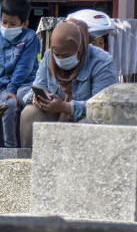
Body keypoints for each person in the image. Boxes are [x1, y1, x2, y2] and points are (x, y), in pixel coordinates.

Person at [20, 19, 119, 148]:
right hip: (56, 112)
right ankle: (28, 163)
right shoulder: (49, 56)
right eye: (57, 54)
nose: (60, 60)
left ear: (80, 47)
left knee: (87, 126)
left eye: (66, 55)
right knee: (29, 113)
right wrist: (36, 98)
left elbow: (103, 108)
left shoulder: (102, 62)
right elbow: (38, 86)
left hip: (87, 116)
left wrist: (66, 107)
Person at [0, 0, 40, 148]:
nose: (7, 27)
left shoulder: (30, 37)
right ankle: (10, 148)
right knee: (7, 107)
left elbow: (24, 66)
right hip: (4, 88)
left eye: (12, 24)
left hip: (26, 84)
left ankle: (32, 145)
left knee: (26, 97)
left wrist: (12, 89)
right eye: (4, 22)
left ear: (25, 23)